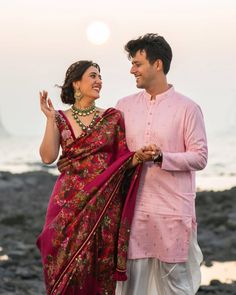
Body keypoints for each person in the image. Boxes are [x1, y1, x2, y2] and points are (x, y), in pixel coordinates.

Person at [36, 60, 150, 295]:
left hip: (104, 204)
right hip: (67, 202)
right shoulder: (59, 118)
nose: (99, 81)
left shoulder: (112, 118)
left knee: (99, 264)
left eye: (100, 76)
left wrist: (138, 157)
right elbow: (47, 157)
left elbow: (122, 159)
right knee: (58, 256)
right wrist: (49, 119)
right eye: (93, 76)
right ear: (76, 83)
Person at [115, 34, 208, 295]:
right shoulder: (123, 107)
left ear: (157, 65)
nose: (132, 69)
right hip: (134, 211)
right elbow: (112, 155)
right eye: (132, 64)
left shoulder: (187, 108)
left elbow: (200, 156)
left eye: (137, 63)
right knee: (131, 284)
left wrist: (161, 157)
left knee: (176, 287)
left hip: (172, 212)